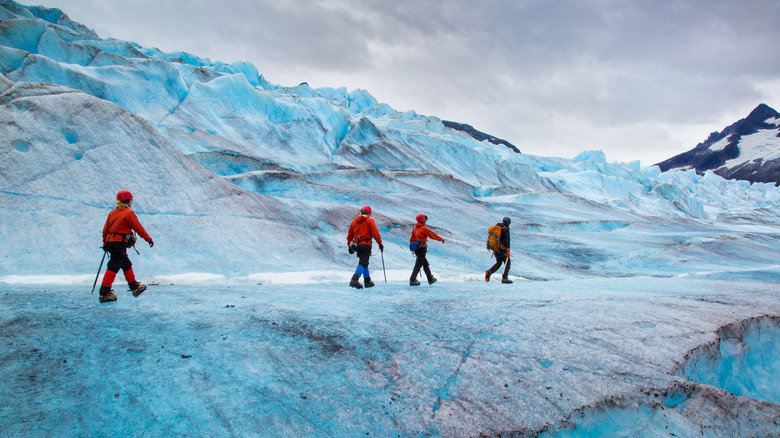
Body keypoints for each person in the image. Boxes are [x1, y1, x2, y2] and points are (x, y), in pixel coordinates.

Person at [98, 190, 154, 303]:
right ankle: (104, 293)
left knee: (126, 263)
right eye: (131, 200)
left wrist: (105, 244)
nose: (132, 202)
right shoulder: (129, 213)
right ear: (128, 200)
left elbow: (105, 230)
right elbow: (138, 228)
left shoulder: (112, 213)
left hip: (111, 242)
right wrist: (148, 238)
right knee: (114, 266)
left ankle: (134, 287)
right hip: (119, 243)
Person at [346, 205, 383, 289]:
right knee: (363, 262)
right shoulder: (369, 220)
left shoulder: (354, 222)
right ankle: (354, 280)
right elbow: (375, 233)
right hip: (366, 244)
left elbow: (349, 236)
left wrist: (349, 246)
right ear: (369, 213)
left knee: (364, 261)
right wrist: (380, 244)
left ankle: (367, 281)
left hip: (357, 246)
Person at [409, 213, 444, 286]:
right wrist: (440, 239)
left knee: (425, 264)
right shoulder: (423, 228)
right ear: (423, 220)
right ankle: (412, 280)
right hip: (422, 249)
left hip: (417, 249)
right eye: (425, 219)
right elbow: (432, 235)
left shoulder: (415, 228)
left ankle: (430, 279)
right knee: (418, 264)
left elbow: (411, 239)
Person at [485, 217, 513, 284]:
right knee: (507, 262)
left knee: (499, 262)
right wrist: (508, 251)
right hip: (502, 249)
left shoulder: (497, 228)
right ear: (508, 223)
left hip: (496, 249)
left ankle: (489, 272)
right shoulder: (505, 229)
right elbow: (506, 241)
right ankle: (505, 278)